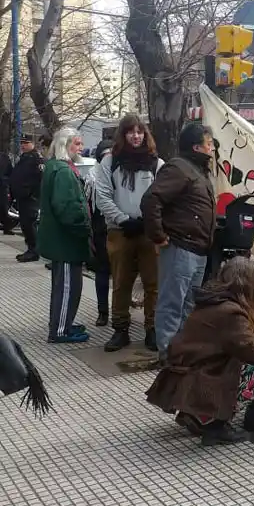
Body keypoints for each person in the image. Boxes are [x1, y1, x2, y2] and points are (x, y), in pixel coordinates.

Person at [145, 257, 254, 445]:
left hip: (188, 373)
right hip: (201, 378)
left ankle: (200, 415)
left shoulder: (213, 301)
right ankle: (213, 422)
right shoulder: (230, 312)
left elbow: (240, 346)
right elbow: (253, 351)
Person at [141, 124, 216, 365]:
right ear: (196, 147)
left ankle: (182, 351)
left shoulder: (198, 170)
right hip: (180, 246)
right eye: (209, 144)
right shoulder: (179, 168)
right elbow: (151, 199)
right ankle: (168, 354)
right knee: (172, 303)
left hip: (198, 248)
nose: (212, 148)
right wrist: (158, 235)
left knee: (188, 304)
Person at [96, 115, 164, 353]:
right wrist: (123, 219)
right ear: (123, 135)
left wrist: (149, 221)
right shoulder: (110, 162)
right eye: (131, 132)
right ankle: (120, 329)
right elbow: (102, 197)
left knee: (153, 283)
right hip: (120, 231)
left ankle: (152, 328)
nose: (136, 136)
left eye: (140, 132)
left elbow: (163, 197)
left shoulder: (157, 163)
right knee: (121, 282)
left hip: (149, 232)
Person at [37, 128, 92, 344]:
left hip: (60, 239)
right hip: (66, 241)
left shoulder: (54, 166)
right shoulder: (64, 171)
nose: (80, 148)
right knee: (68, 288)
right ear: (65, 145)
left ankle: (62, 323)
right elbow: (68, 209)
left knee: (62, 286)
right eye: (76, 144)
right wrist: (84, 229)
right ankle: (60, 329)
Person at [85, 139, 114, 327]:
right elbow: (87, 208)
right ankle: (103, 311)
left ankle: (121, 310)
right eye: (105, 155)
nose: (109, 158)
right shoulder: (92, 177)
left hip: (121, 230)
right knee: (102, 272)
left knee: (122, 274)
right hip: (101, 232)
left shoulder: (121, 173)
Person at [9, 134, 46, 262]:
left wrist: (31, 194)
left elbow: (39, 179)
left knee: (30, 224)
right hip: (22, 197)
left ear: (32, 144)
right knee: (25, 225)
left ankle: (34, 251)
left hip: (30, 199)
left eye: (26, 143)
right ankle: (30, 249)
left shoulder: (36, 159)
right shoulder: (24, 158)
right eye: (22, 143)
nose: (23, 146)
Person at [0, 149, 13, 235]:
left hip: (2, 186)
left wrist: (6, 181)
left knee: (3, 207)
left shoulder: (4, 157)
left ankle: (6, 227)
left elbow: (10, 172)